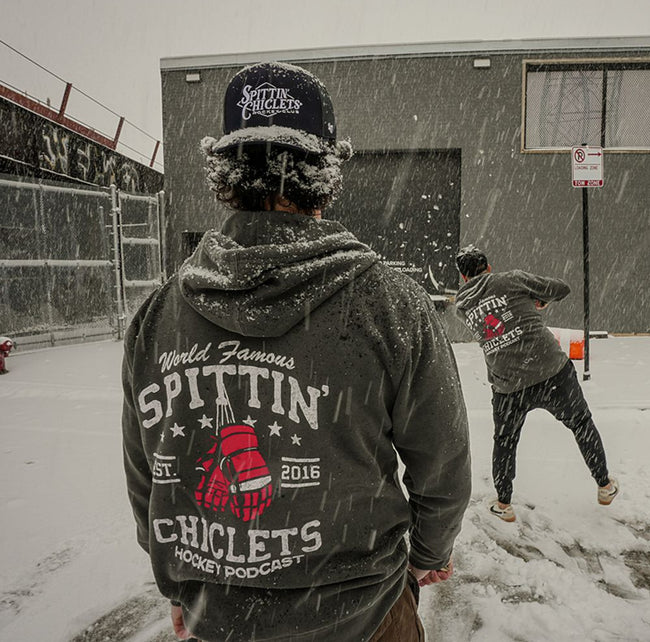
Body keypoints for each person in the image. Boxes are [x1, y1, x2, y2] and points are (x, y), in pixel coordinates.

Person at [122, 61, 471, 642]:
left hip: (222, 619)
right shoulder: (391, 306)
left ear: (225, 171)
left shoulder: (158, 318)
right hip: (364, 618)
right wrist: (426, 556)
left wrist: (178, 584)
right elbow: (444, 464)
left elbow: (147, 479)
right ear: (325, 171)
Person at [454, 245, 618, 523]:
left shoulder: (462, 306)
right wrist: (539, 299)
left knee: (505, 441)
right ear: (488, 267)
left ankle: (503, 503)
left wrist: (527, 302)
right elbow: (560, 288)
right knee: (581, 423)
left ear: (463, 278)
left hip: (508, 385)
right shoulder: (510, 279)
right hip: (552, 371)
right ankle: (604, 485)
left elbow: (499, 313)